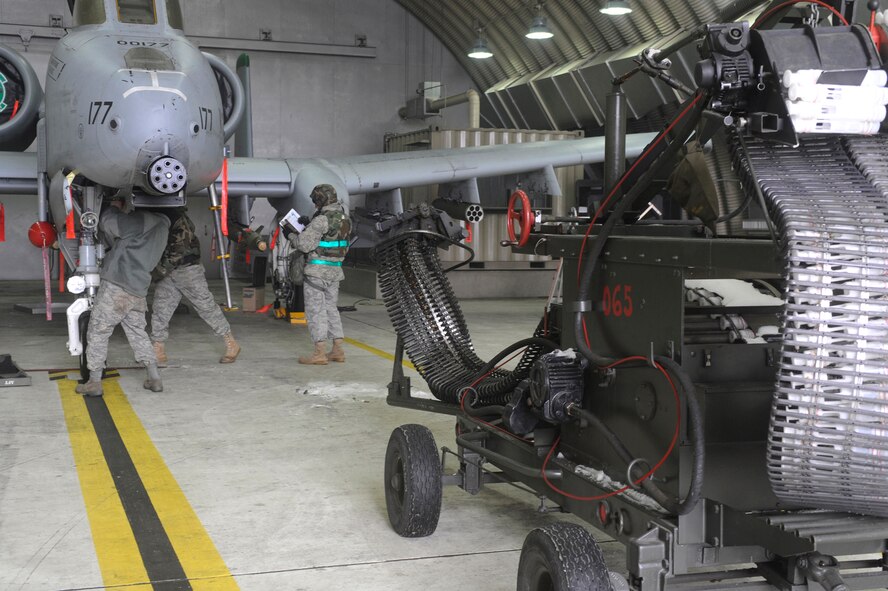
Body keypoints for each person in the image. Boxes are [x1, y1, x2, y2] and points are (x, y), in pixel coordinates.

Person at [76, 201, 170, 397]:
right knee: (138, 332)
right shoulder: (163, 227)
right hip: (138, 288)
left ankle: (94, 382)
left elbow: (109, 222)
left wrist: (113, 207)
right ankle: (154, 378)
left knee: (98, 331)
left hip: (118, 284)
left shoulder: (142, 219)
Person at [149, 208, 240, 364]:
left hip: (187, 270)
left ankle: (231, 343)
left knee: (206, 307)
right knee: (160, 309)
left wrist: (157, 272)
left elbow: (179, 250)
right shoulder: (158, 215)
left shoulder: (177, 219)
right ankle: (158, 349)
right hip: (168, 270)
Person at [287, 184, 350, 365]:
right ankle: (337, 350)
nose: (315, 204)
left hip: (317, 272)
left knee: (316, 311)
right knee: (331, 309)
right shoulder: (345, 218)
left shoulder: (321, 220)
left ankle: (319, 353)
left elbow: (303, 245)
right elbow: (331, 238)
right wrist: (309, 225)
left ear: (320, 200)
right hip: (335, 271)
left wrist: (290, 235)